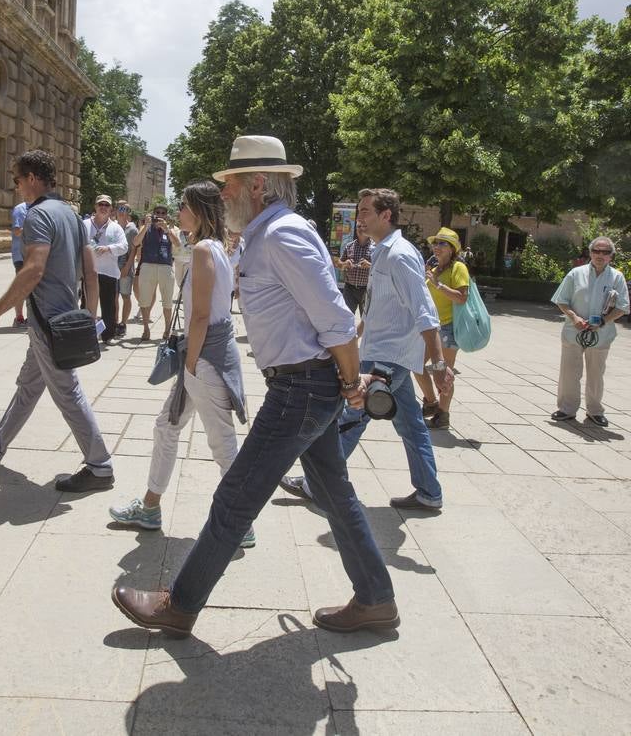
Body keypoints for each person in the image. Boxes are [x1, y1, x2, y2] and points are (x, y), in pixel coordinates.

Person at [111, 135, 396, 638]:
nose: (223, 194)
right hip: (306, 384)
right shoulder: (267, 234)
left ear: (258, 184)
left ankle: (180, 605)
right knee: (335, 494)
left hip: (300, 389)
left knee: (235, 498)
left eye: (231, 183)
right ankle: (376, 599)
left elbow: (336, 320)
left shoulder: (282, 234)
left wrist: (353, 380)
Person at [282, 188, 454, 512]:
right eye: (359, 211)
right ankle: (429, 492)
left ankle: (316, 485)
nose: (358, 218)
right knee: (411, 425)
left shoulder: (399, 255)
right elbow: (381, 307)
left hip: (388, 358)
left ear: (386, 215)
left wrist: (438, 364)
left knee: (350, 416)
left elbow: (425, 311)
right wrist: (355, 334)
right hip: (384, 351)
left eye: (365, 212)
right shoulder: (382, 251)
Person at [109, 181, 255, 547]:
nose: (178, 213)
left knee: (221, 442)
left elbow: (202, 315)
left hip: (204, 359)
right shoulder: (211, 247)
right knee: (167, 426)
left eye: (184, 206)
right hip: (203, 357)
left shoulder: (205, 250)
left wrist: (189, 366)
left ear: (200, 211)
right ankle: (150, 506)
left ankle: (240, 522)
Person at [0, 149, 115, 491]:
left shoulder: (37, 216)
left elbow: (33, 270)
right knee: (30, 385)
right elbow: (91, 274)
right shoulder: (72, 216)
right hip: (61, 321)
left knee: (68, 393)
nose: (16, 186)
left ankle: (100, 465)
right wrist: (89, 319)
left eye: (17, 179)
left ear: (32, 178)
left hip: (48, 325)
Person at [551, 236, 629, 426]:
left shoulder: (617, 277)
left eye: (605, 252)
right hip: (574, 330)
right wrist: (574, 318)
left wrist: (603, 321)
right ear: (590, 252)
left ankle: (594, 410)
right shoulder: (575, 273)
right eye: (596, 251)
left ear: (611, 255)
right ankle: (567, 409)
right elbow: (561, 300)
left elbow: (623, 307)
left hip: (601, 333)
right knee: (569, 372)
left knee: (596, 374)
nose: (600, 255)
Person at [413, 228, 470, 429]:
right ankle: (431, 402)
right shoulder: (435, 269)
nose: (436, 247)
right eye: (435, 243)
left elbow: (462, 297)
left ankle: (442, 415)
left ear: (452, 248)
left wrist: (438, 285)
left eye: (442, 243)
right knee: (416, 364)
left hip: (448, 327)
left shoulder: (458, 268)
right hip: (431, 326)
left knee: (444, 373)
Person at [132, 203, 181, 341]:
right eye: (157, 213)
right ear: (153, 214)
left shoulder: (171, 229)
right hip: (148, 265)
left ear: (166, 216)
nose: (160, 215)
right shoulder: (146, 227)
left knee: (167, 301)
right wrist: (146, 226)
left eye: (163, 213)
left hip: (165, 267)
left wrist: (167, 230)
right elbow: (135, 242)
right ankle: (146, 329)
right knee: (145, 299)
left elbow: (178, 244)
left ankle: (167, 329)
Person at [84, 194, 128, 344]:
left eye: (106, 205)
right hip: (89, 272)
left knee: (109, 306)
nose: (103, 207)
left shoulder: (116, 228)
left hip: (108, 272)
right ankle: (86, 335)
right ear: (95, 206)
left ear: (111, 209)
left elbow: (124, 247)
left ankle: (108, 336)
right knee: (86, 305)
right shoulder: (84, 224)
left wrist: (108, 248)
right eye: (100, 204)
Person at [337, 221, 373, 314]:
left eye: (363, 226)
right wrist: (345, 263)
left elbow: (381, 267)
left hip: (366, 289)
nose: (360, 229)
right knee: (346, 316)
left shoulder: (375, 247)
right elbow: (339, 264)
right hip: (349, 289)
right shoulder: (349, 246)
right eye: (358, 226)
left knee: (366, 318)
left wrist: (369, 265)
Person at [115, 201, 139, 338]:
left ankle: (123, 323)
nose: (121, 211)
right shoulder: (112, 226)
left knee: (125, 296)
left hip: (125, 267)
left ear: (128, 212)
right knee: (114, 297)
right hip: (112, 268)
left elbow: (134, 251)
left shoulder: (132, 229)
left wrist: (127, 267)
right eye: (119, 208)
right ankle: (114, 322)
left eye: (124, 209)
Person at [11, 198, 29, 326]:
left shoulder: (42, 207)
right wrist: (33, 227)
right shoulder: (20, 209)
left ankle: (33, 317)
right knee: (21, 287)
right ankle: (19, 317)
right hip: (21, 256)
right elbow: (17, 231)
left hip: (37, 254)